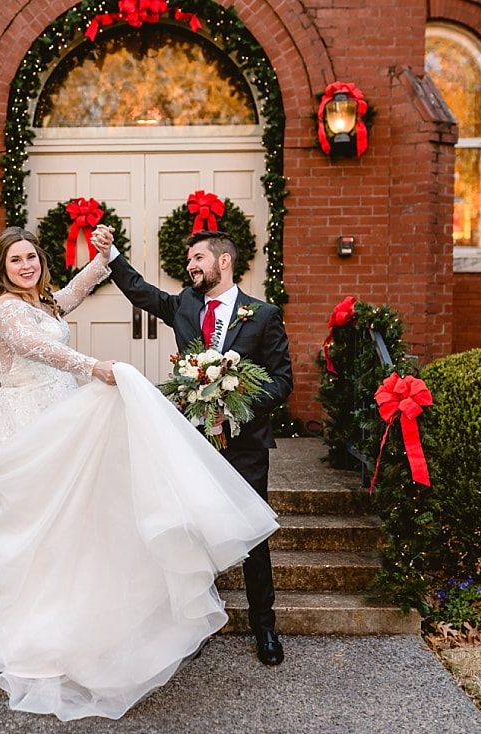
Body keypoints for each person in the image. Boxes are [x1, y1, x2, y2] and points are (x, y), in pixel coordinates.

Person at [0, 226, 280, 721]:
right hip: (29, 426)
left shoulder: (43, 305)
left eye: (32, 257)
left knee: (75, 527)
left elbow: (71, 294)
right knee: (35, 532)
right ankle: (34, 630)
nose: (26, 266)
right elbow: (42, 350)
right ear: (1, 269)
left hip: (208, 434)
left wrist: (104, 257)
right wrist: (94, 367)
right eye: (16, 260)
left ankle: (256, 625)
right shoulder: (6, 311)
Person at [92, 224, 294, 666]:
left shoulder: (262, 314)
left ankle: (265, 628)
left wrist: (235, 407)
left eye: (197, 259)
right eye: (188, 261)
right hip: (194, 440)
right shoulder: (185, 304)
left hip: (245, 444)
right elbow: (142, 293)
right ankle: (200, 621)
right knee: (194, 531)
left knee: (252, 534)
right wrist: (111, 257)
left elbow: (282, 381)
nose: (190, 266)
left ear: (223, 261)